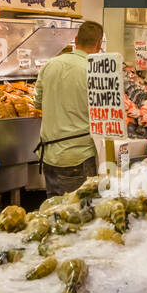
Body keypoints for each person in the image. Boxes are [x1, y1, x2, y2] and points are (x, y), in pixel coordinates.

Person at [34, 19, 104, 196]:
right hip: (78, 158)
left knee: (53, 214)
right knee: (78, 217)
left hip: (49, 156)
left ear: (75, 39)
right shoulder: (95, 71)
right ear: (99, 44)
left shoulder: (50, 65)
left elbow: (37, 103)